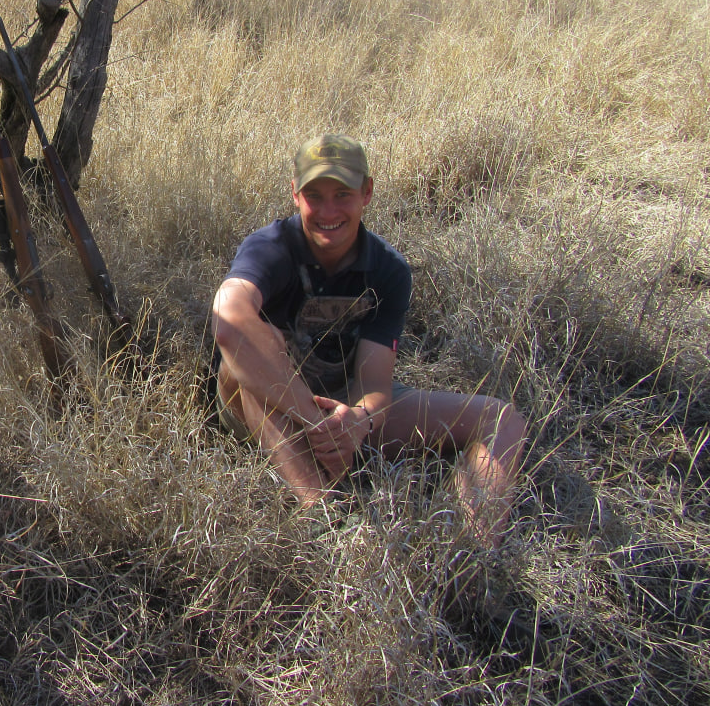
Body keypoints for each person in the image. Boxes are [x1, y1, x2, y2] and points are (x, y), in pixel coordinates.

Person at [211, 133, 526, 546]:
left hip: (341, 406)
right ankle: (324, 519)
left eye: (342, 194)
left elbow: (375, 380)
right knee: (250, 348)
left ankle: (469, 551)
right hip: (270, 408)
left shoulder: (388, 270)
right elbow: (229, 319)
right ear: (295, 195)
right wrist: (316, 423)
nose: (328, 210)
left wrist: (358, 421)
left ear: (367, 193)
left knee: (501, 419)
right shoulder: (271, 248)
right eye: (314, 195)